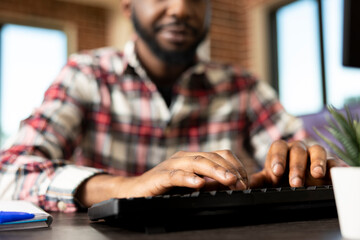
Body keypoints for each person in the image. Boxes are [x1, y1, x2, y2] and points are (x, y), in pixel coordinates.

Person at [0, 0, 346, 212]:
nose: (180, 7)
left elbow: (317, 158)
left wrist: (299, 167)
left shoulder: (244, 87)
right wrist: (126, 187)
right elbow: (12, 172)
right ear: (127, 5)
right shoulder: (87, 75)